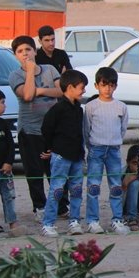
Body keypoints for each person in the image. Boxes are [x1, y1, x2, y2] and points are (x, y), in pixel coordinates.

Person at [9, 35, 63, 220]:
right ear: (16, 55)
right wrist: (30, 71)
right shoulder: (15, 75)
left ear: (35, 50)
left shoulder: (49, 69)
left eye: (28, 49)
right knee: (34, 172)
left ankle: (61, 206)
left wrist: (39, 90)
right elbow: (26, 95)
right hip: (30, 131)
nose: (25, 54)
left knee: (55, 170)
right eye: (20, 51)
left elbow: (61, 90)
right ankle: (40, 207)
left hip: (52, 131)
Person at [40, 69, 88, 237]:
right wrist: (53, 147)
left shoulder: (79, 109)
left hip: (76, 156)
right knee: (57, 190)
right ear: (70, 87)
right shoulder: (58, 109)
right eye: (82, 87)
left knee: (76, 190)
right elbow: (46, 129)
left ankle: (74, 222)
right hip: (61, 156)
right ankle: (48, 223)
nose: (84, 91)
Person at [83, 67, 130, 235]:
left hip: (114, 149)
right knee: (93, 185)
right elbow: (86, 129)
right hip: (96, 148)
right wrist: (91, 145)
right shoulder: (90, 107)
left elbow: (123, 128)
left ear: (116, 86)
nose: (107, 89)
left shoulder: (121, 107)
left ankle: (117, 219)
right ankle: (93, 221)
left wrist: (115, 141)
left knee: (116, 186)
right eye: (104, 85)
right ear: (97, 85)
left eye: (111, 85)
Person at [0, 89, 26, 237]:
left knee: (8, 196)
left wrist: (9, 162)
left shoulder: (3, 124)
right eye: (2, 103)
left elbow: (10, 145)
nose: (5, 106)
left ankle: (13, 224)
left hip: (5, 170)